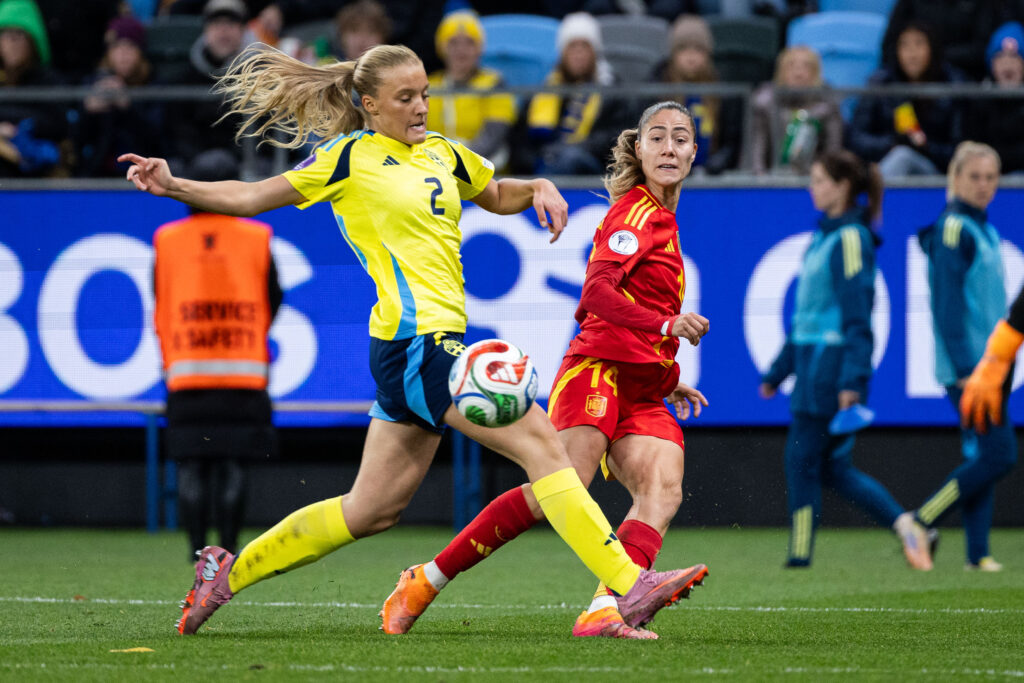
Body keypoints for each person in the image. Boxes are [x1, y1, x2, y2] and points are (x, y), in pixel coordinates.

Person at [119, 43, 706, 636]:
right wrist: (175, 185)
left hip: (428, 344)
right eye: (405, 98)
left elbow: (494, 194)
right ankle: (627, 585)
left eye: (424, 93)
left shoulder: (443, 152)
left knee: (370, 510)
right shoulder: (348, 158)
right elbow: (250, 197)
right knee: (545, 448)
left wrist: (535, 186)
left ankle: (225, 573)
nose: (421, 106)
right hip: (415, 342)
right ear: (370, 104)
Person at [379, 100, 711, 641]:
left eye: (680, 138)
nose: (669, 148)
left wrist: (668, 377)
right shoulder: (634, 215)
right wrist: (666, 325)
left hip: (642, 386)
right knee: (557, 488)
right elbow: (597, 294)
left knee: (663, 486)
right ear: (639, 149)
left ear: (694, 152)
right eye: (657, 137)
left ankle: (606, 608)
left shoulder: (663, 219)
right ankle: (426, 580)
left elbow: (637, 306)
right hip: (597, 372)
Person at [758, 149, 933, 570]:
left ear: (842, 187)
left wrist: (853, 381)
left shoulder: (850, 240)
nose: (812, 188)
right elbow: (806, 318)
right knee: (833, 468)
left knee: (801, 460)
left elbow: (858, 318)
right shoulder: (825, 237)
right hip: (814, 368)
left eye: (819, 180)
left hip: (828, 372)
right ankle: (907, 526)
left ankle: (800, 557)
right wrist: (779, 371)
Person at [153, 149, 282, 560]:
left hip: (186, 372)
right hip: (244, 373)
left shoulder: (167, 240)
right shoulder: (257, 237)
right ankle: (227, 552)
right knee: (234, 464)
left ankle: (196, 554)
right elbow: (274, 296)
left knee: (191, 465)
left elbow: (159, 296)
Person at [911, 141, 1017, 571]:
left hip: (992, 365)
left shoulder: (983, 228)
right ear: (955, 179)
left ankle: (978, 553)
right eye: (974, 177)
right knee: (999, 454)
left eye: (990, 178)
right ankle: (921, 521)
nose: (983, 185)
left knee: (982, 455)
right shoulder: (955, 229)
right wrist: (963, 367)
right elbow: (948, 306)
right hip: (971, 367)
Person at [522, 12, 635, 175]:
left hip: (594, 167)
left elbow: (617, 136)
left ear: (595, 51)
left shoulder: (611, 89)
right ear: (562, 52)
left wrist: (575, 147)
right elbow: (522, 140)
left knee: (569, 157)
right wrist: (539, 155)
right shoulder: (546, 88)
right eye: (572, 46)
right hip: (547, 159)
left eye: (585, 46)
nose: (578, 53)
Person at [848, 21, 963, 178]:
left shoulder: (953, 85)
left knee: (903, 157)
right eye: (905, 46)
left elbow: (961, 149)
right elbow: (857, 139)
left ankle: (876, 192)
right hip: (885, 163)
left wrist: (926, 146)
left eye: (919, 44)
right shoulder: (881, 84)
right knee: (900, 156)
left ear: (932, 48)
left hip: (937, 173)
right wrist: (892, 142)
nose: (912, 54)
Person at [164, 0, 253, 171]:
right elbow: (177, 132)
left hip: (244, 170)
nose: (224, 31)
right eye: (217, 23)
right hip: (194, 167)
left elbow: (264, 136)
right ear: (205, 30)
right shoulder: (184, 79)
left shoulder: (259, 76)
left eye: (231, 23)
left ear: (243, 31)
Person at [652, 14, 742, 175]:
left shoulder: (722, 89)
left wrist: (718, 163)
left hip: (711, 175)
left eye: (698, 49)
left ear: (708, 53)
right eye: (683, 49)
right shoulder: (657, 87)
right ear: (673, 54)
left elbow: (731, 141)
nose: (691, 57)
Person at [76, 16, 165, 177]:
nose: (123, 53)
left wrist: (128, 107)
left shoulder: (155, 86)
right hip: (96, 174)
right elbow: (75, 142)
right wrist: (87, 111)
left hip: (145, 174)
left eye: (130, 46)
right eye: (117, 46)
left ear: (141, 51)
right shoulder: (92, 85)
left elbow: (159, 140)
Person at [426, 11, 515, 169]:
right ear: (442, 47)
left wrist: (460, 162)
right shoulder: (429, 85)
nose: (461, 50)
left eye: (470, 43)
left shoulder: (494, 82)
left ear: (479, 48)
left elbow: (493, 134)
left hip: (483, 165)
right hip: (436, 165)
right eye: (453, 43)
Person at [751, 46, 843, 176]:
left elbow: (832, 150)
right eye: (791, 66)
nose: (798, 73)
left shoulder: (827, 104)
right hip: (771, 177)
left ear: (816, 73)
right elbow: (757, 149)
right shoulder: (765, 102)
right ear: (781, 72)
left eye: (806, 67)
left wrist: (822, 179)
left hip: (814, 179)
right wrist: (760, 179)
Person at [0, 0, 66, 178]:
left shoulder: (48, 80)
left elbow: (57, 124)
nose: (12, 42)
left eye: (19, 35)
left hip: (36, 173)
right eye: (6, 35)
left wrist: (15, 128)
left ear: (33, 41)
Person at [967, 22, 1024, 175]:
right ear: (991, 64)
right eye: (1000, 57)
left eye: (1014, 57)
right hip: (985, 176)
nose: (1007, 64)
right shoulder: (979, 100)